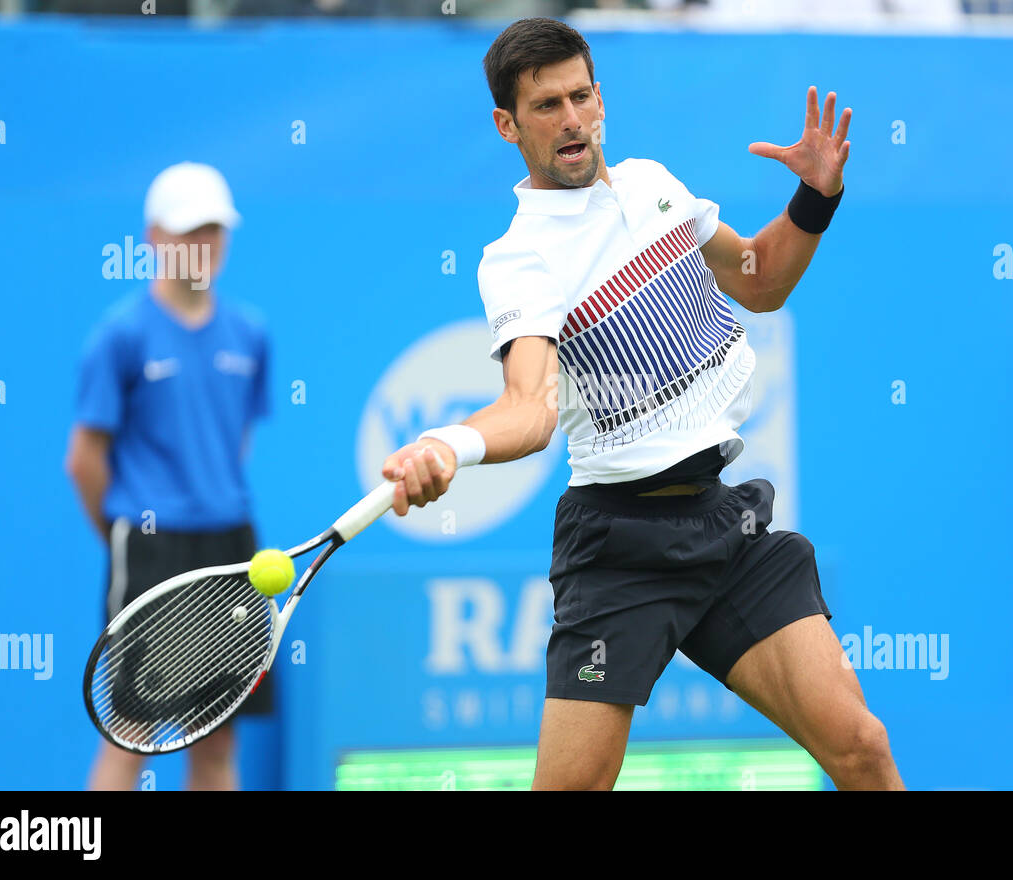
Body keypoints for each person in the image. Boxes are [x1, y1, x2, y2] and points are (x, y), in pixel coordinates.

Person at [381, 17, 905, 790]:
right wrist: (450, 446)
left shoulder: (654, 187)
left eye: (581, 97)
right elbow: (530, 409)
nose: (570, 120)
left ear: (600, 100)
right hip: (619, 551)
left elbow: (759, 280)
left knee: (860, 746)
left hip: (723, 525)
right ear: (507, 125)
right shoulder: (519, 260)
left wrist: (815, 197)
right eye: (547, 106)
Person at [65, 161, 273, 791]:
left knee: (215, 740)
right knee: (132, 737)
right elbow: (84, 460)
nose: (203, 248)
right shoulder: (121, 335)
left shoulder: (251, 333)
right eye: (188, 233)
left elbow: (233, 443)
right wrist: (127, 534)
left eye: (213, 232)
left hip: (231, 553)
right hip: (152, 549)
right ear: (154, 237)